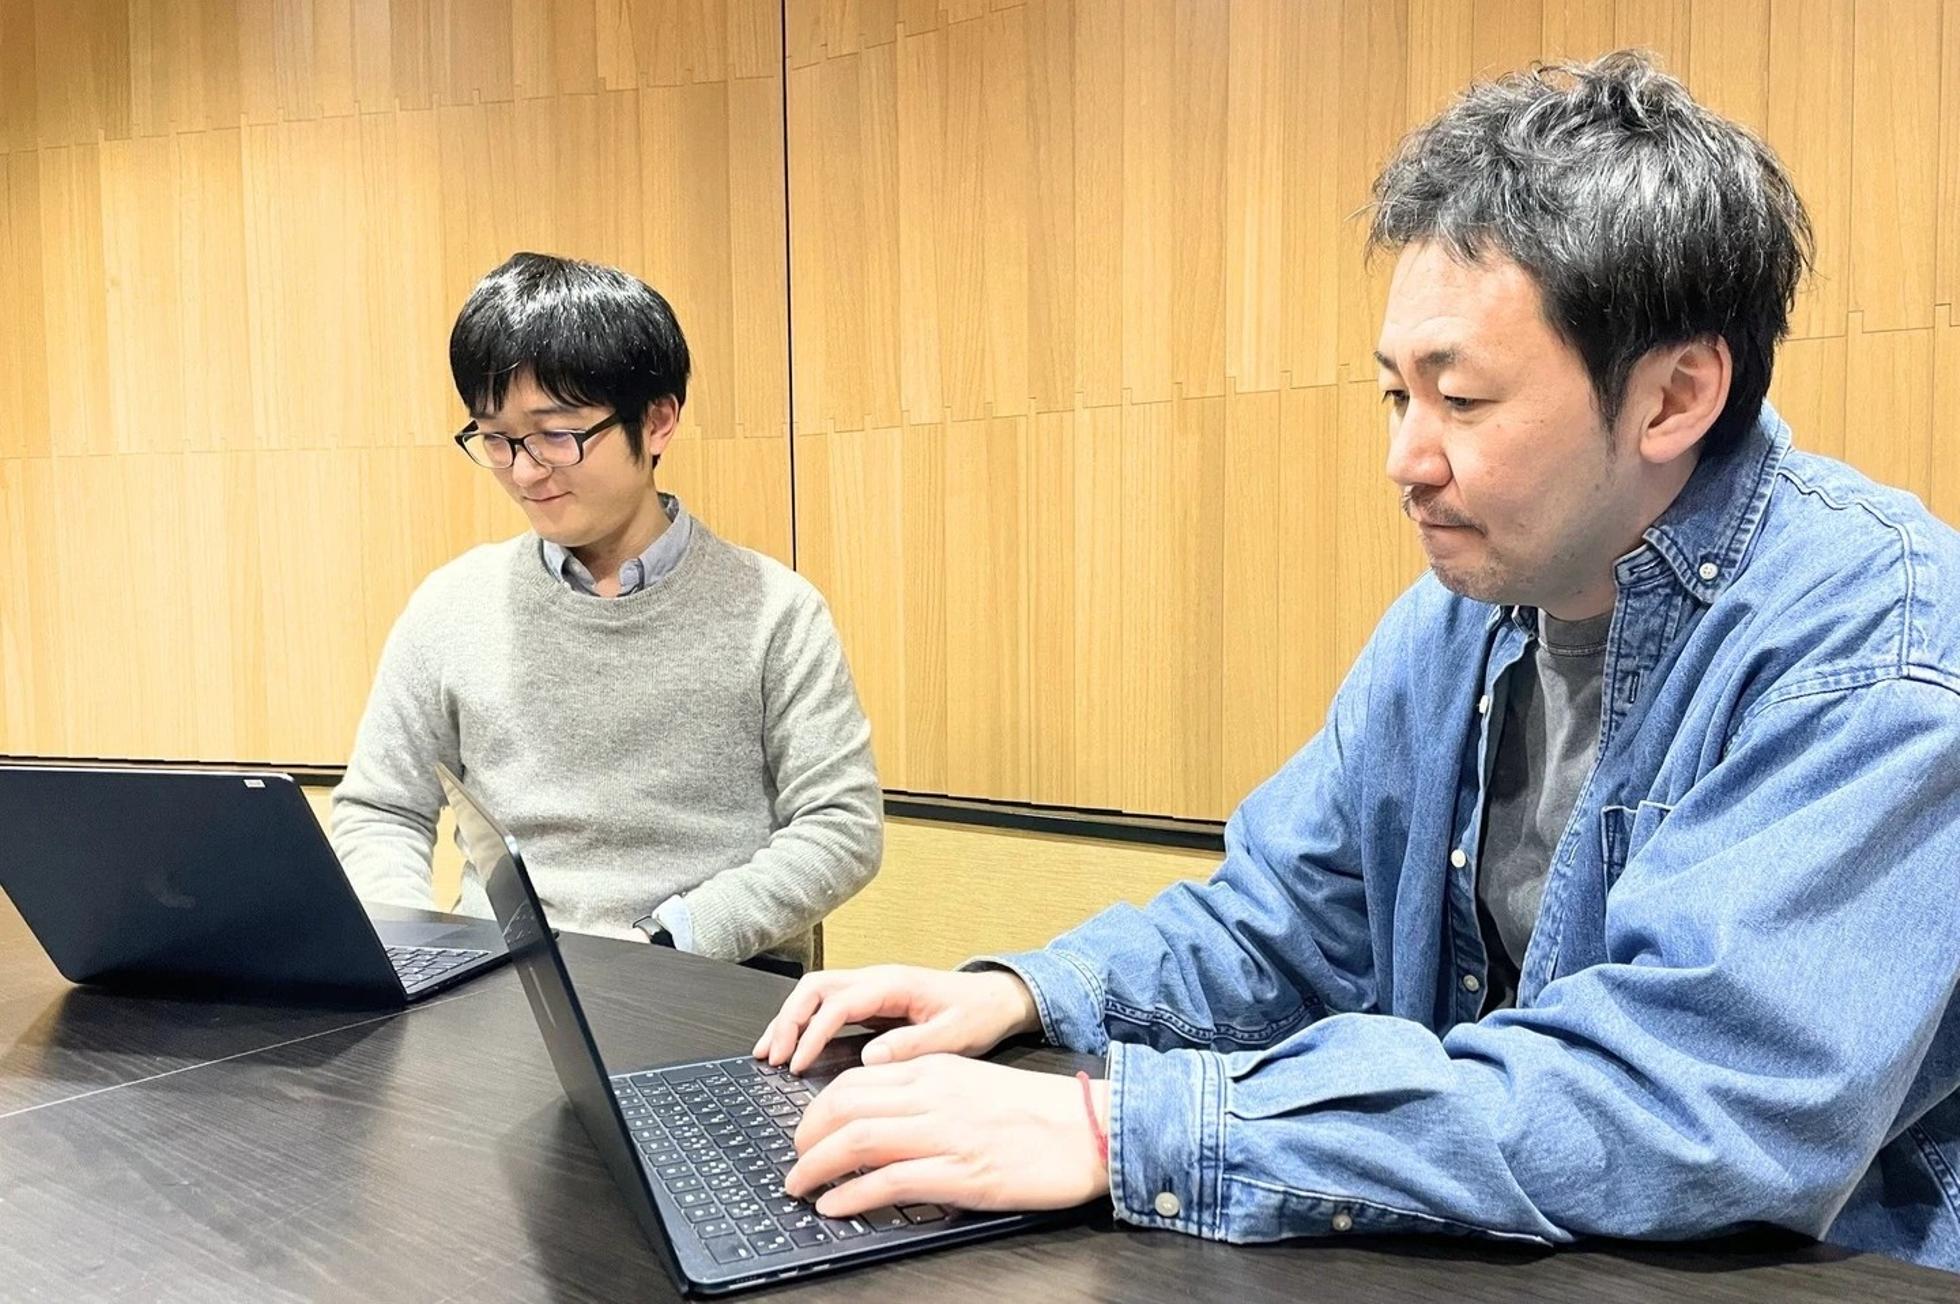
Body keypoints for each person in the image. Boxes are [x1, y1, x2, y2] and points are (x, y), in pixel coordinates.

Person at [750, 53, 1960, 1270]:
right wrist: (1030, 991)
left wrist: (1132, 1127)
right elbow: (1284, 921)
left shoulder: (1876, 644)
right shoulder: (1455, 620)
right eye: (1395, 396)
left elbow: (1684, 1101)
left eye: (1460, 401)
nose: (1406, 460)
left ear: (1671, 397)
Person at [332, 252, 882, 971]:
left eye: (556, 434)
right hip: (504, 988)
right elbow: (382, 809)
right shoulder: (451, 607)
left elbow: (841, 828)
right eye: (496, 438)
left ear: (656, 422)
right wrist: (418, 953)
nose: (524, 470)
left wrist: (665, 941)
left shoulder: (776, 612)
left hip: (711, 986)